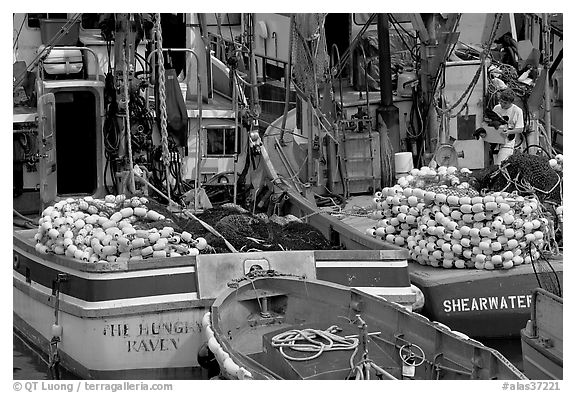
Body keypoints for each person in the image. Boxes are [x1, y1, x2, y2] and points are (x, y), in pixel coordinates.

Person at [492, 88, 524, 165]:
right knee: (493, 164)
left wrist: (509, 132)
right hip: (495, 141)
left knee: (501, 164)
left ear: (511, 103)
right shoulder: (496, 108)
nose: (502, 104)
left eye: (505, 103)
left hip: (508, 142)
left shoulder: (517, 111)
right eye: (501, 102)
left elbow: (520, 129)